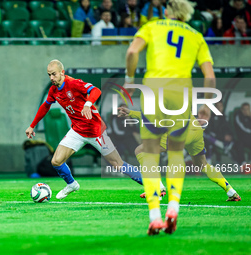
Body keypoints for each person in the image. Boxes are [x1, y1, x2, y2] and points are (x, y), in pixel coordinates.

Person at [125, 0, 215, 235]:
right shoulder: (196, 36)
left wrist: (129, 78)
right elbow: (209, 75)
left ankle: (155, 216)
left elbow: (132, 51)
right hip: (180, 96)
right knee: (176, 153)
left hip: (153, 91)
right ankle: (173, 208)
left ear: (167, 11)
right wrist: (206, 102)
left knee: (149, 152)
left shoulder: (153, 26)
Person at [26, 60, 143, 200]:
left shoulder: (74, 83)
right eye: (49, 75)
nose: (51, 78)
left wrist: (88, 104)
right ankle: (72, 184)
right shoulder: (53, 90)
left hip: (96, 132)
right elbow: (45, 106)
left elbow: (96, 91)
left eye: (54, 74)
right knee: (56, 161)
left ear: (62, 73)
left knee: (118, 164)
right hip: (77, 131)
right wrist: (32, 125)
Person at [117, 106, 242, 202]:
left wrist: (131, 113)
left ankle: (157, 187)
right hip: (195, 130)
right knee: (202, 164)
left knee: (140, 150)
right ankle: (231, 191)